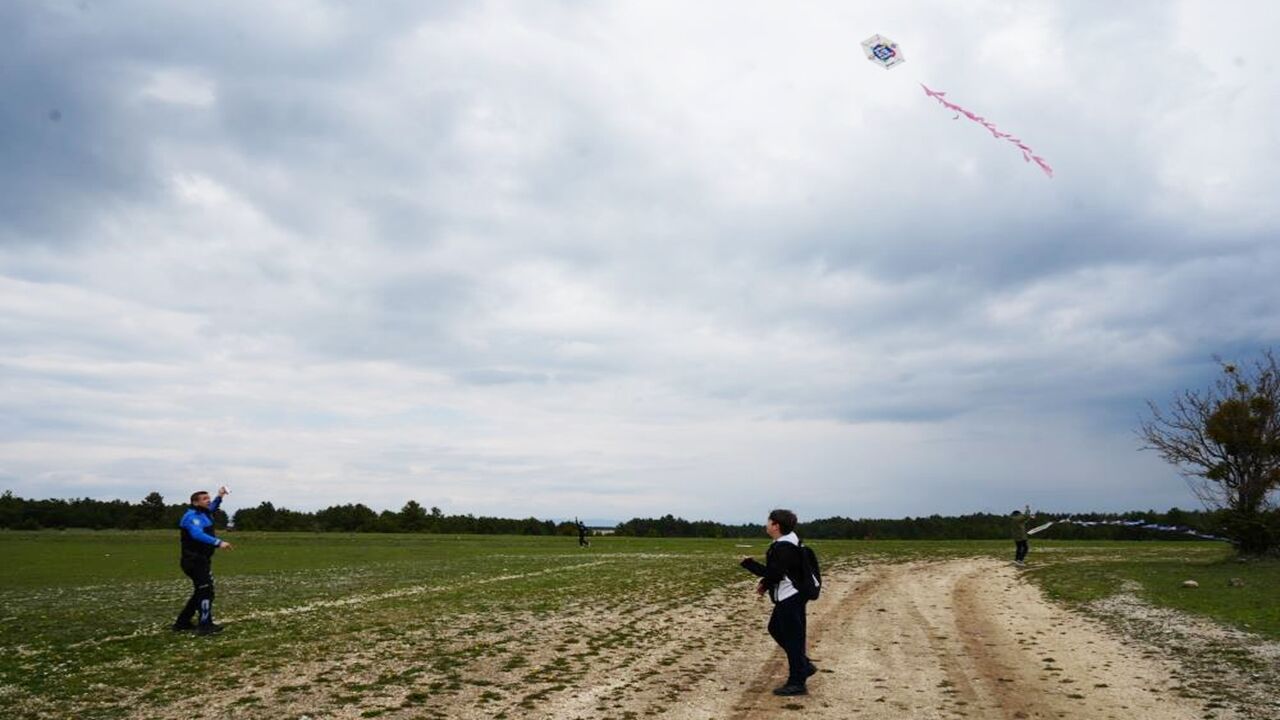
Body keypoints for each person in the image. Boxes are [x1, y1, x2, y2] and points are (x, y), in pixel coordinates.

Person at [740, 509, 817, 696]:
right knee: (776, 628)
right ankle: (803, 665)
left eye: (769, 521)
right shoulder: (788, 542)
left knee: (793, 638)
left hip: (791, 597)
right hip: (790, 596)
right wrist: (766, 584)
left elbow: (775, 573)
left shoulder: (784, 547)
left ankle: (797, 681)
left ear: (776, 526)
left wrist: (749, 563)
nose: (766, 524)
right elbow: (783, 571)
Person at [174, 486, 233, 635]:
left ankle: (182, 622)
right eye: (204, 499)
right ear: (195, 503)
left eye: (208, 498)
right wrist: (218, 542)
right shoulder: (191, 517)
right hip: (194, 561)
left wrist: (220, 496)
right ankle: (205, 625)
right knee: (206, 591)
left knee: (201, 591)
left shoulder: (204, 512)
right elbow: (196, 534)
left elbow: (213, 506)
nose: (208, 501)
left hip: (202, 560)